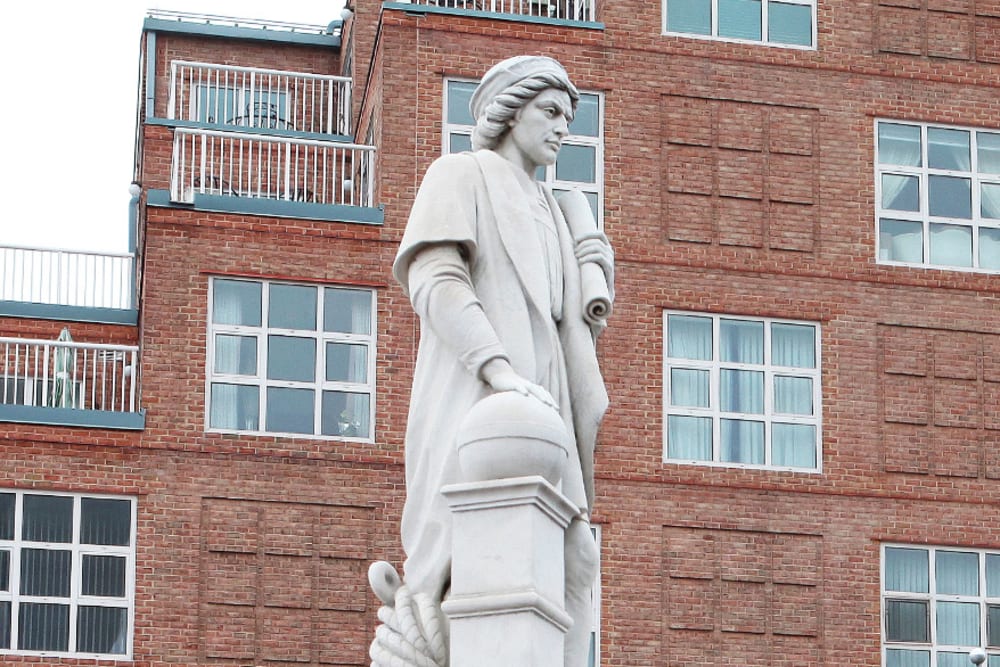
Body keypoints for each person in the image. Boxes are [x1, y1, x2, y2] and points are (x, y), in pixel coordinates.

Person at [392, 55, 613, 666]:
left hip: (550, 409)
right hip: (482, 399)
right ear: (509, 111)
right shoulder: (459, 174)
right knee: (467, 560)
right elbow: (437, 280)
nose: (562, 127)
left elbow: (569, 319)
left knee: (578, 556)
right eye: (549, 111)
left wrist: (593, 260)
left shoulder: (556, 209)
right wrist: (498, 371)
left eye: (569, 116)